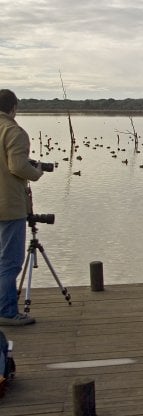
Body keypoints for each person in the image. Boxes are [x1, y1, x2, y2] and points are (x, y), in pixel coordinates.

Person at [0, 89, 44, 326]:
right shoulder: (12, 131)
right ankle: (7, 312)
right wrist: (35, 172)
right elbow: (17, 166)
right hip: (8, 206)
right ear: (13, 107)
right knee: (10, 262)